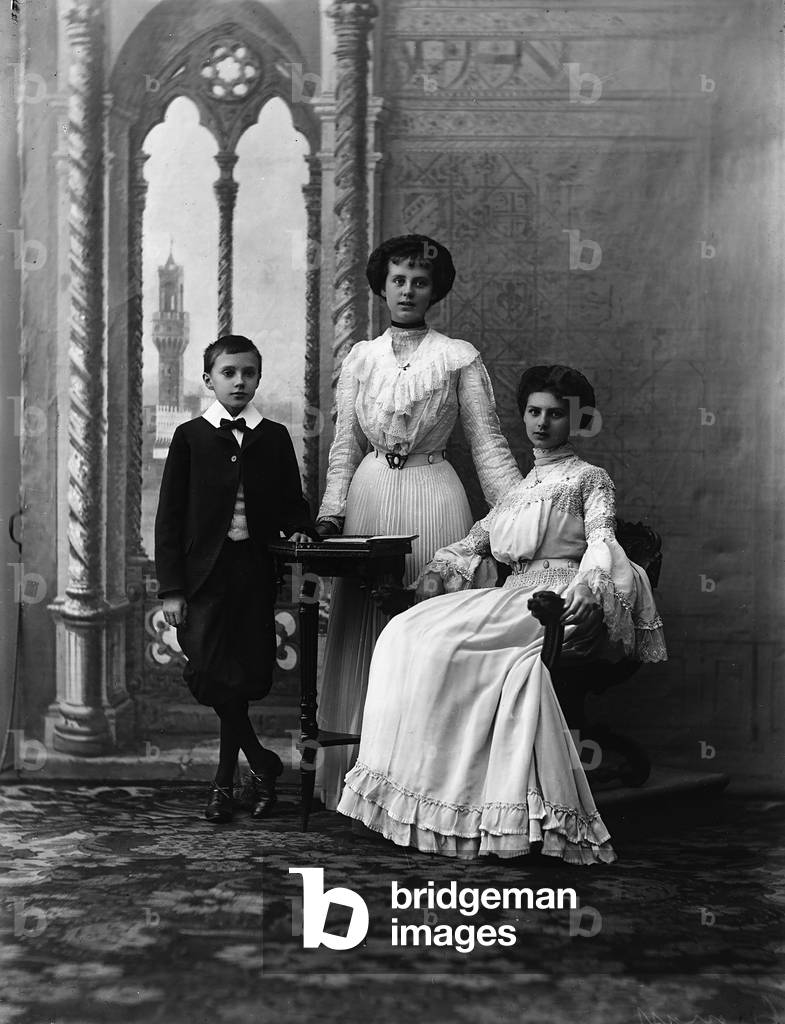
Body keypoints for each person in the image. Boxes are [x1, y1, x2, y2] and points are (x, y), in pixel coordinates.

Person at [337, 365, 667, 863]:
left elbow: (602, 540)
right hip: (513, 594)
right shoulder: (517, 490)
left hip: (554, 599)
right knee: (404, 633)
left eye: (555, 414)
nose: (542, 423)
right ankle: (421, 791)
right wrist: (438, 571)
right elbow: (475, 542)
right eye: (534, 412)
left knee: (450, 650)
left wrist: (588, 585)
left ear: (575, 422)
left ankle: (478, 800)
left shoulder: (589, 479)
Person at [315, 234, 521, 809]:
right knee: (366, 627)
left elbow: (488, 446)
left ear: (436, 290)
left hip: (435, 497)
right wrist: (331, 514)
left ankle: (426, 788)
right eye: (398, 280)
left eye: (420, 281)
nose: (408, 290)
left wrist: (524, 515)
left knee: (429, 631)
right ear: (382, 287)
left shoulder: (458, 357)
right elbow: (344, 449)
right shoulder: (360, 359)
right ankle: (359, 780)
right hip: (369, 498)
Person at [155, 335, 315, 824]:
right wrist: (172, 589)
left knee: (240, 678)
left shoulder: (273, 436)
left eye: (248, 373)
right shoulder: (190, 436)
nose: (239, 381)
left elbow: (291, 502)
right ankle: (262, 762)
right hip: (203, 577)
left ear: (258, 378)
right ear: (209, 380)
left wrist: (302, 527)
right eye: (228, 373)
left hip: (252, 572)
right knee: (207, 671)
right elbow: (169, 517)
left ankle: (224, 784)